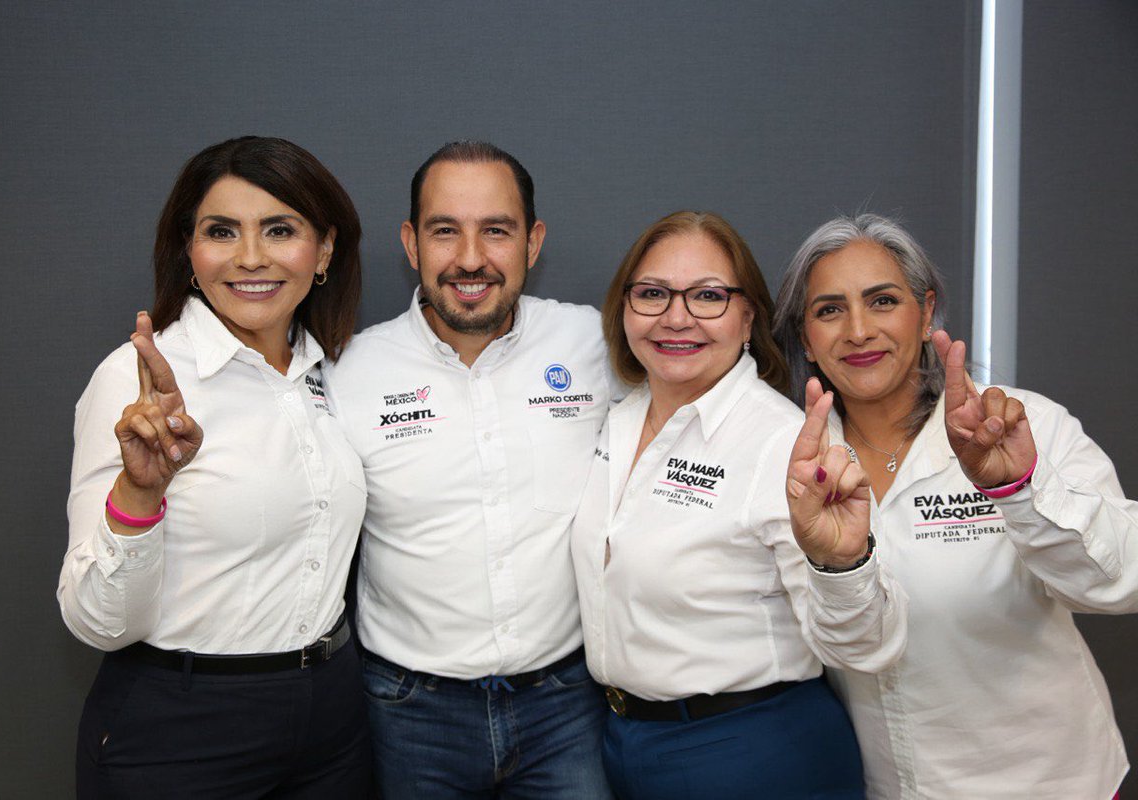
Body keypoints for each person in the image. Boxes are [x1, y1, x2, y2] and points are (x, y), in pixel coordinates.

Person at [772, 212, 1138, 799]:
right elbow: (854, 648)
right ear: (807, 340)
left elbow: (1119, 584)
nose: (858, 330)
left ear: (925, 313)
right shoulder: (794, 464)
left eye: (883, 300)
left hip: (1055, 783)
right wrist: (840, 564)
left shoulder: (1020, 423)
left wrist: (1019, 488)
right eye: (829, 310)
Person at [59, 136, 372, 798]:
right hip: (182, 730)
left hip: (333, 720)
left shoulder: (334, 373)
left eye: (280, 230)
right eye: (222, 231)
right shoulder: (136, 381)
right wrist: (140, 495)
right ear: (187, 250)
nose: (250, 257)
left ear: (324, 250)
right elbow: (97, 622)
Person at [571, 210, 907, 799]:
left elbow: (864, 646)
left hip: (755, 752)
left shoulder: (786, 443)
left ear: (748, 315)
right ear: (623, 308)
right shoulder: (615, 421)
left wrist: (842, 564)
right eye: (652, 294)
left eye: (708, 296)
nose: (677, 317)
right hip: (624, 743)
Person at [324, 141, 615, 798]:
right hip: (410, 712)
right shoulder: (348, 373)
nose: (471, 258)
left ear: (533, 242)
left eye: (497, 231)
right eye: (445, 231)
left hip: (565, 705)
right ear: (411, 242)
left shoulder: (596, 345)